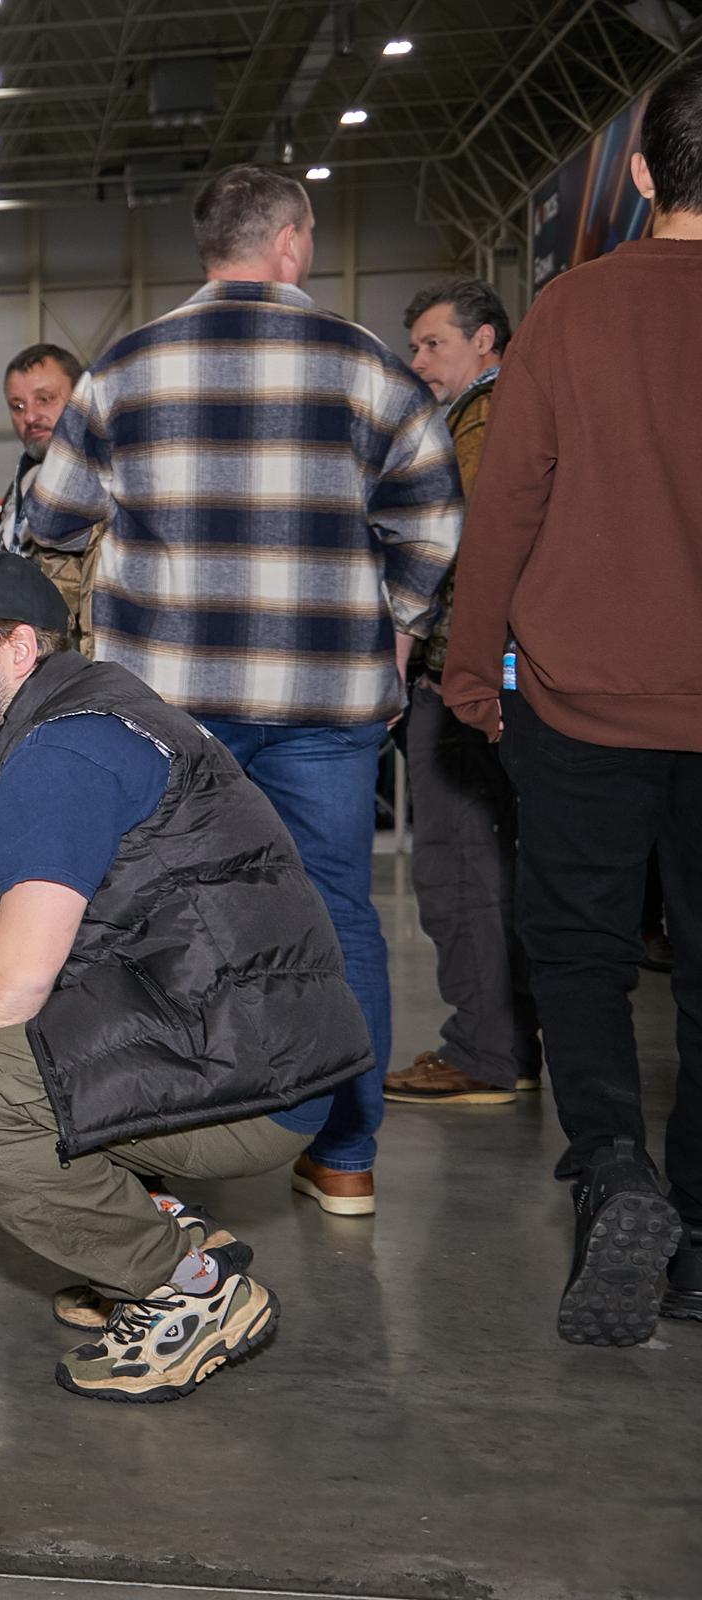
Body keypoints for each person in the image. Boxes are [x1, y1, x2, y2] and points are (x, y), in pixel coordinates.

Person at [25, 163, 464, 1217]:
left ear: (211, 247)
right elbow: (433, 521)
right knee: (337, 915)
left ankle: (168, 1156)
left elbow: (53, 521)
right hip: (326, 702)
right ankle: (346, 1155)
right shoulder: (369, 369)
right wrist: (397, 631)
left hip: (170, 710)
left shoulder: (123, 370)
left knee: (166, 918)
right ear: (292, 242)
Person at [0, 553, 372, 1401]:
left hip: (253, 1076)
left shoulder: (62, 752)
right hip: (246, 1042)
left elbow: (17, 976)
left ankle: (187, 1287)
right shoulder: (76, 721)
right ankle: (154, 1229)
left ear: (19, 649)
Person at [441, 56, 702, 1345]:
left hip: (582, 696)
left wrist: (467, 669)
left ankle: (613, 1170)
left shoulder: (572, 309)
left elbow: (508, 506)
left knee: (583, 953)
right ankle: (697, 1241)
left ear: (643, 172)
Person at [385, 279, 541, 1108]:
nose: (417, 361)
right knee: (489, 864)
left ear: (485, 340)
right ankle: (507, 1043)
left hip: (459, 676)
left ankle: (484, 1052)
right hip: (499, 675)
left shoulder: (481, 420)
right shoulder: (513, 409)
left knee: (458, 866)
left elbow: (453, 544)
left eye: (432, 343)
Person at [0, 343, 102, 656]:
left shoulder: (108, 480)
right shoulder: (23, 481)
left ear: (81, 398)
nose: (30, 416)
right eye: (18, 406)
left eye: (45, 399)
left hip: (77, 660)